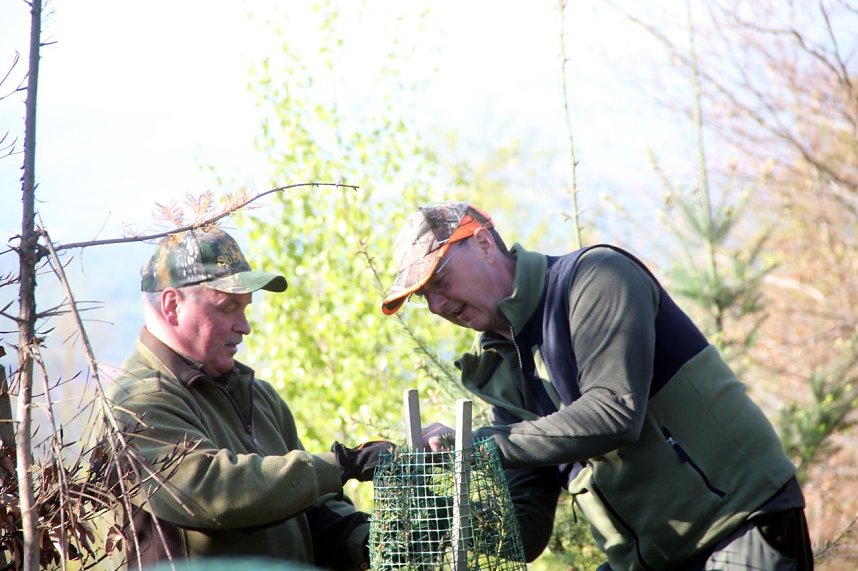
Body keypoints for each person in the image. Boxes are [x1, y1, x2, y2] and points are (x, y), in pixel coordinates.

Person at [380, 202, 814, 570]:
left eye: (439, 281)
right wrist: (439, 515)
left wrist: (474, 444)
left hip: (737, 522)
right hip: (649, 561)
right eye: (423, 296)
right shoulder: (499, 367)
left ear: (483, 243)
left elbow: (614, 413)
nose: (436, 305)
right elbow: (526, 528)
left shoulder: (593, 278)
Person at [104, 226, 390, 570]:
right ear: (172, 306)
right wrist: (343, 464)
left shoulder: (259, 396)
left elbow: (308, 507)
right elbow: (213, 492)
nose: (244, 326)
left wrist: (369, 540)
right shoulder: (137, 402)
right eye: (228, 307)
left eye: (245, 308)